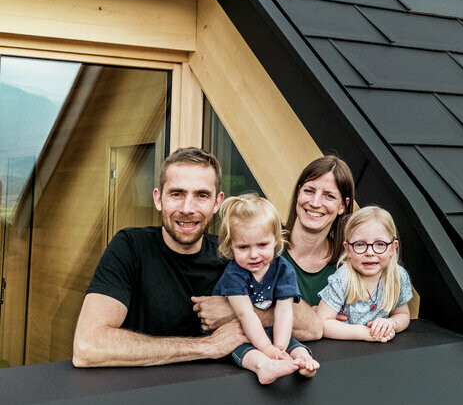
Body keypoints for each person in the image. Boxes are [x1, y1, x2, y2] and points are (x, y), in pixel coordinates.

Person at [72, 147, 321, 368]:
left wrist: (239, 311)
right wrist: (207, 346)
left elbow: (312, 326)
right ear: (158, 199)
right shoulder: (131, 247)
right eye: (177, 194)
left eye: (201, 195)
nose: (188, 208)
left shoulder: (236, 253)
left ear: (217, 202)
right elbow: (88, 346)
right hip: (144, 392)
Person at [193, 155, 354, 330]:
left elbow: (373, 312)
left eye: (329, 196)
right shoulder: (258, 247)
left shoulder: (349, 263)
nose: (315, 203)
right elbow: (213, 312)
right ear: (298, 192)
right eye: (309, 191)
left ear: (343, 205)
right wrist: (308, 316)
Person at [212, 194, 318, 383]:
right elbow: (246, 314)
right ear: (231, 245)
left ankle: (304, 361)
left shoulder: (283, 269)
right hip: (236, 330)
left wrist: (279, 348)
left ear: (275, 240)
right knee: (245, 350)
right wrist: (267, 350)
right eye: (243, 247)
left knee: (293, 343)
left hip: (266, 328)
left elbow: (284, 311)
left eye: (262, 245)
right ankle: (263, 367)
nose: (254, 254)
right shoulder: (234, 274)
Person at [316, 206, 412, 342]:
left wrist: (391, 324)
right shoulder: (342, 279)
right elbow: (322, 322)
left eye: (380, 244)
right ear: (348, 249)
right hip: (343, 347)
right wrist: (365, 333)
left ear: (392, 248)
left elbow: (402, 314)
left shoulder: (397, 276)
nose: (370, 252)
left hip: (382, 350)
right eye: (360, 244)